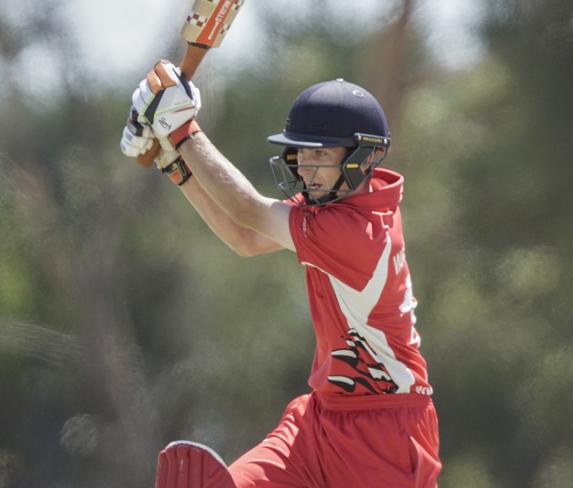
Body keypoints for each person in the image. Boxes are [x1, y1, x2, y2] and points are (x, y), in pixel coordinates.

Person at [120, 60, 442, 488]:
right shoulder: (339, 208)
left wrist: (182, 130)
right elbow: (245, 238)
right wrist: (173, 159)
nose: (305, 166)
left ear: (363, 155)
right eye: (302, 152)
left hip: (385, 437)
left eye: (320, 154)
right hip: (320, 420)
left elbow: (248, 209)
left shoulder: (353, 233)